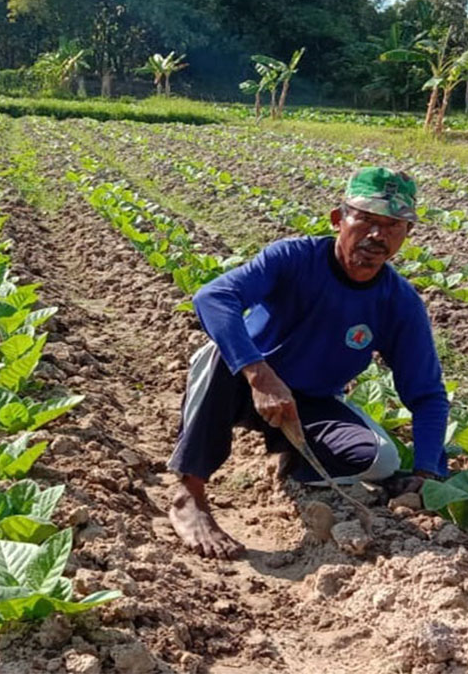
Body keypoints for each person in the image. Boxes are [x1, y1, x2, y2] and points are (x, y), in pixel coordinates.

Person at [167, 166, 449, 559]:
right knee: (217, 354)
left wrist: (427, 471)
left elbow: (427, 394)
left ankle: (294, 462)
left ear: (407, 234)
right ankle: (190, 495)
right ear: (339, 219)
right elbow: (213, 298)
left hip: (309, 403)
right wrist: (258, 373)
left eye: (392, 225)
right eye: (365, 219)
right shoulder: (294, 258)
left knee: (380, 460)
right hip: (242, 379)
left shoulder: (399, 302)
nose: (376, 235)